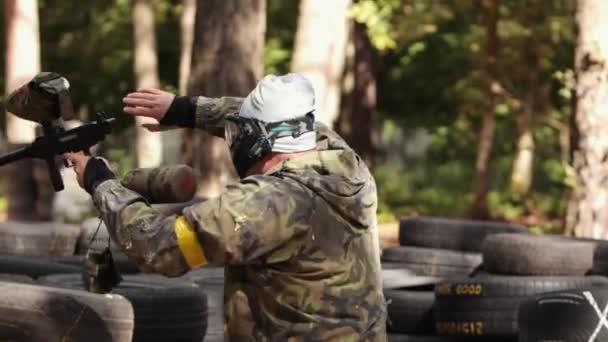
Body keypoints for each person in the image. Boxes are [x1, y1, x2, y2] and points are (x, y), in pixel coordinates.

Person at [65, 73, 387, 341]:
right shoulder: (346, 165)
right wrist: (185, 109)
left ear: (256, 141)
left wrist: (101, 183)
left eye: (240, 133)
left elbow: (160, 247)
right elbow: (284, 123)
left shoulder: (267, 203)